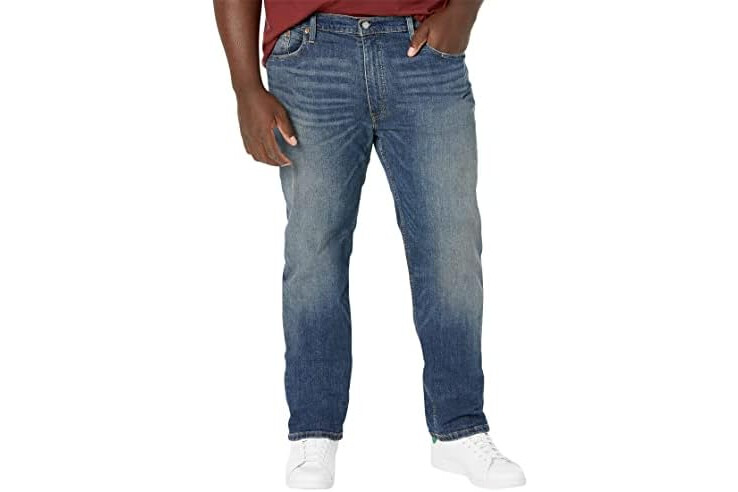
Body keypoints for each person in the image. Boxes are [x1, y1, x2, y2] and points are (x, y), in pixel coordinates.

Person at [214, 0, 525, 488]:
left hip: (423, 50)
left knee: (452, 245)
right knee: (314, 252)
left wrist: (462, 13)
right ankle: (313, 431)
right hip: (310, 55)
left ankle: (459, 427)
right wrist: (244, 86)